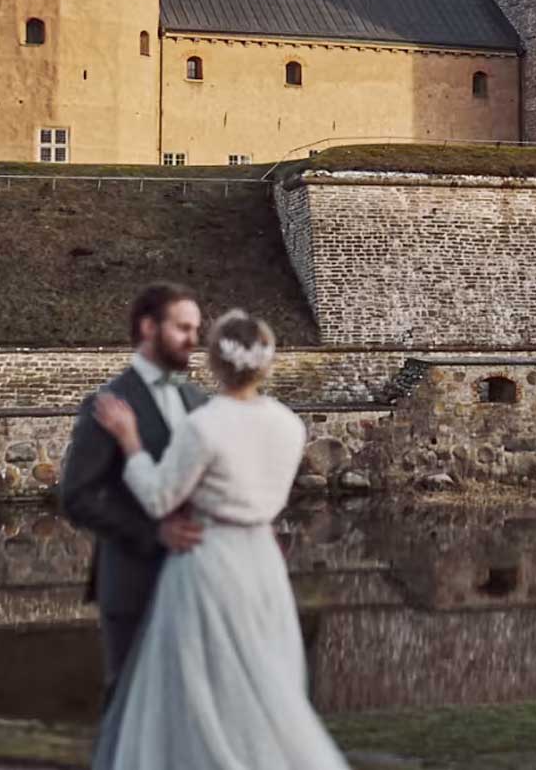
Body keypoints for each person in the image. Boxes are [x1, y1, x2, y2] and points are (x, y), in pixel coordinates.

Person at [88, 309, 348, 770]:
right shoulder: (289, 424)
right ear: (265, 363)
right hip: (262, 560)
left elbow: (157, 495)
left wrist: (130, 441)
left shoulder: (204, 425)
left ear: (214, 361)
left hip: (208, 557)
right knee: (262, 677)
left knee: (200, 679)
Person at [60, 282, 209, 700]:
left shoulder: (196, 399)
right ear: (148, 327)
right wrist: (153, 534)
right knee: (129, 704)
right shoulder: (107, 403)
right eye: (183, 328)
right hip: (132, 579)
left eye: (195, 329)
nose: (193, 340)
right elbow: (77, 497)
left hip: (195, 582)